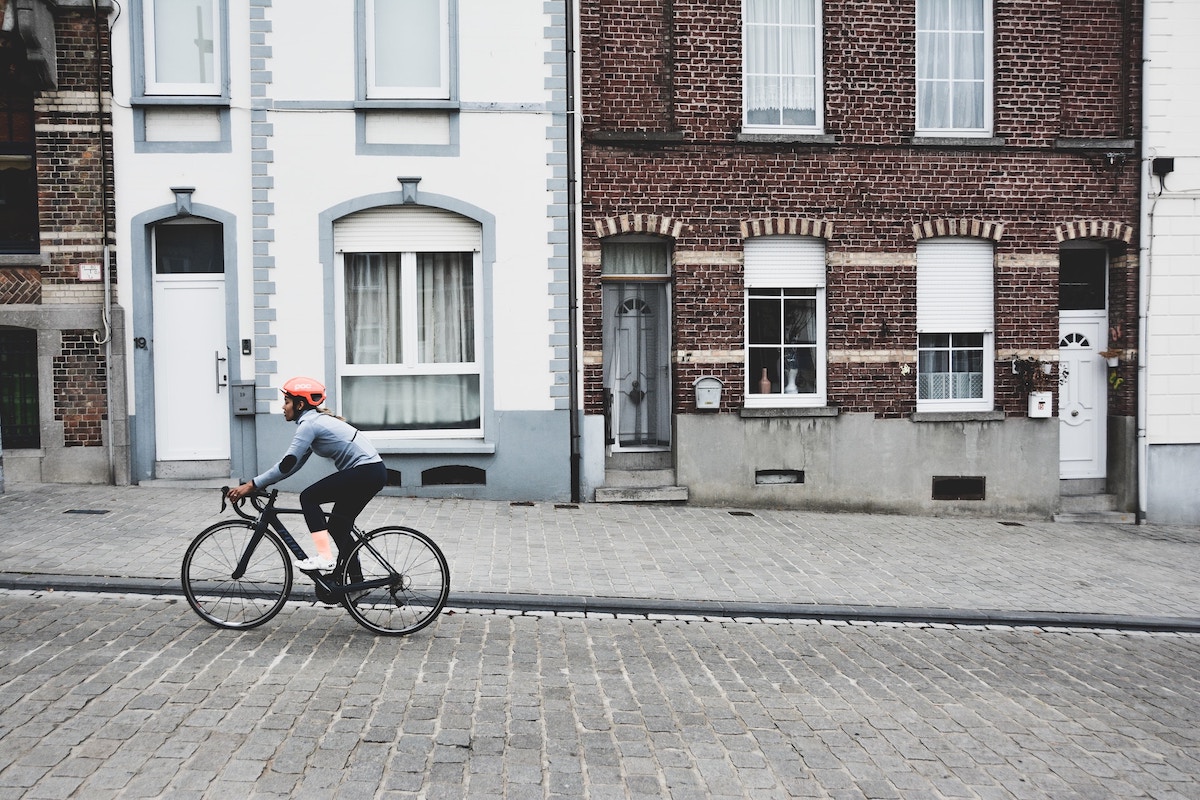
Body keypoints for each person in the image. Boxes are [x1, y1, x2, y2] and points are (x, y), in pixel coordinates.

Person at [227, 376, 386, 573]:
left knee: (309, 497)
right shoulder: (314, 423)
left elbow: (286, 464)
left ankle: (324, 557)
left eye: (286, 402)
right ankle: (357, 584)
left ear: (300, 404)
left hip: (365, 472)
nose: (283, 407)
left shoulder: (309, 425)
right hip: (371, 472)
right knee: (338, 527)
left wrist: (251, 485)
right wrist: (260, 483)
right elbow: (293, 466)